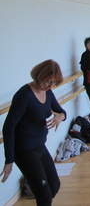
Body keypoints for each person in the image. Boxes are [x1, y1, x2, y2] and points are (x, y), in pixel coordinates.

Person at [1, 60, 66, 206]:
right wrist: (9, 160)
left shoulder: (48, 92)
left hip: (39, 146)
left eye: (53, 83)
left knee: (54, 185)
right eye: (48, 82)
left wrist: (60, 117)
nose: (50, 86)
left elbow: (61, 111)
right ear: (40, 76)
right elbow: (8, 127)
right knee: (44, 195)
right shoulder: (24, 95)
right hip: (23, 150)